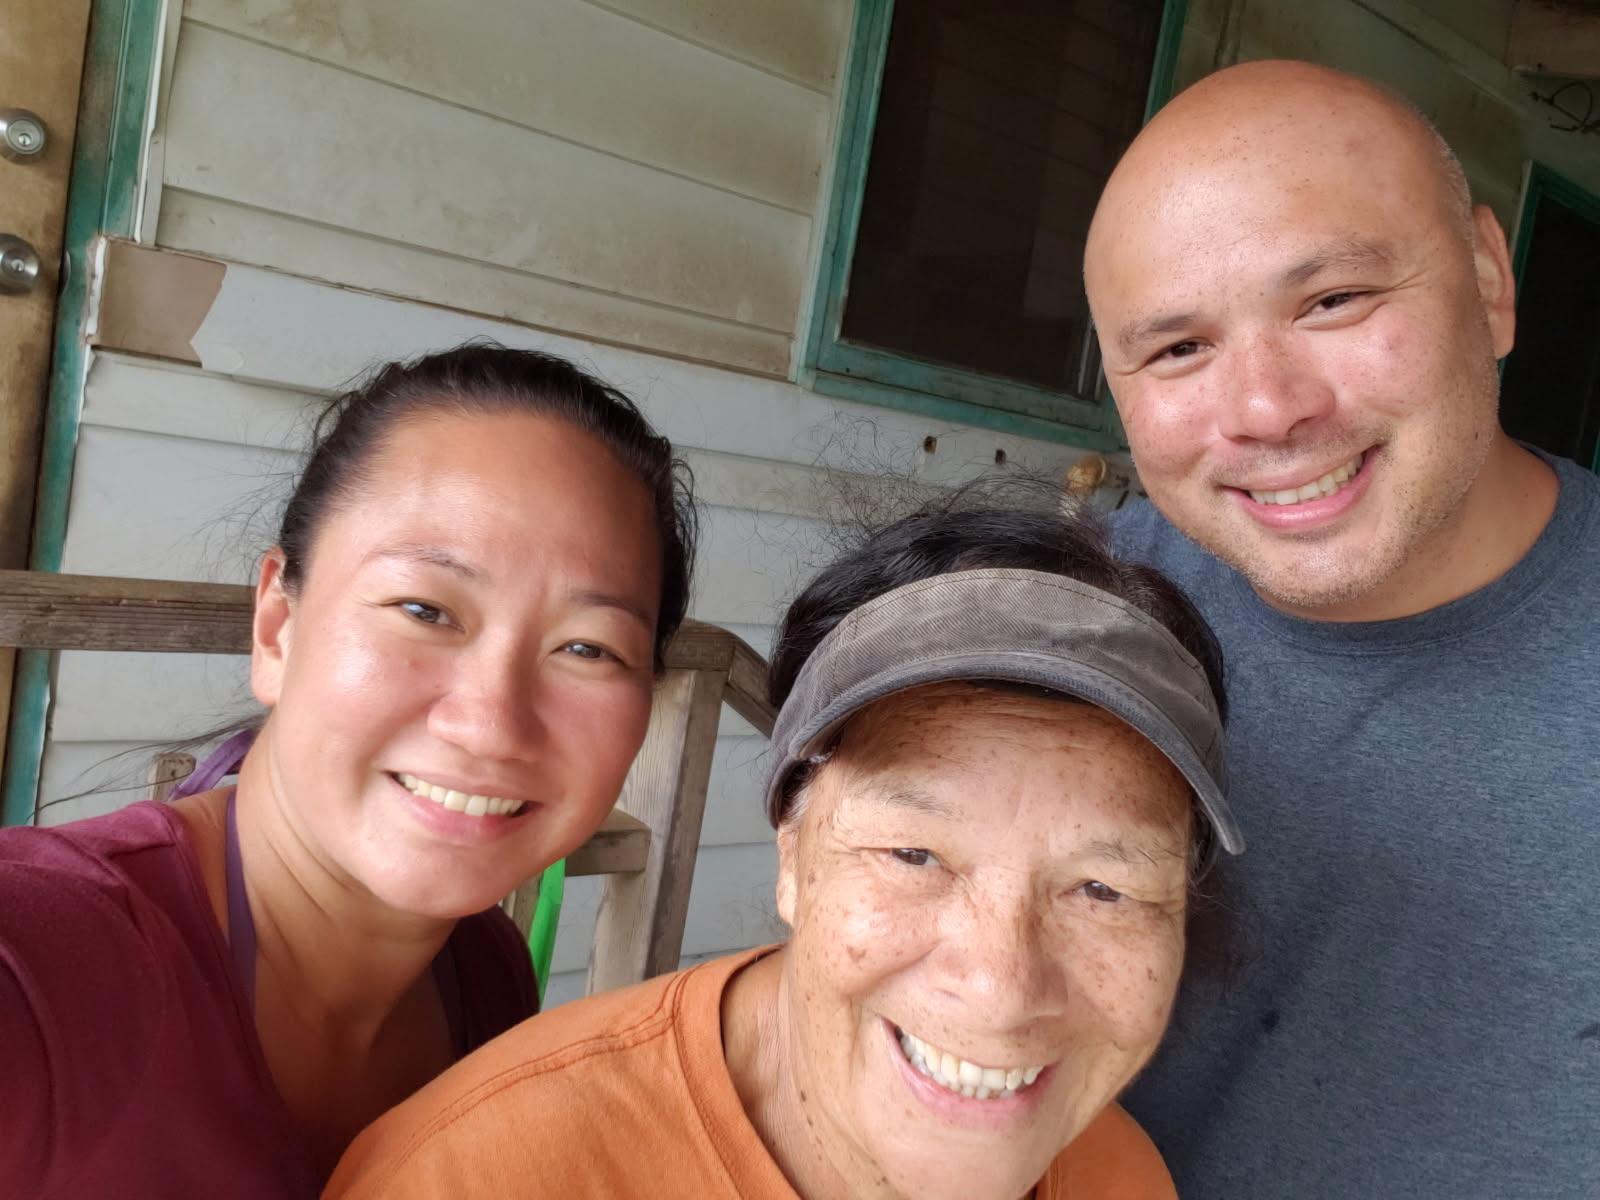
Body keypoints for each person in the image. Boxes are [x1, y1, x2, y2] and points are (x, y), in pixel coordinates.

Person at [325, 500, 1244, 1200]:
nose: (1001, 990)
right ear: (794, 854)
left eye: (1104, 888)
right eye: (913, 854)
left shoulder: (1114, 1175)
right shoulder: (482, 1177)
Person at [0, 344, 696, 1197]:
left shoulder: (484, 974)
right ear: (276, 628)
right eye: (423, 609)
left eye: (587, 648)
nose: (489, 724)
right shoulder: (44, 963)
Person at [1083, 59, 1600, 1197]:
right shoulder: (1072, 629)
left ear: (1489, 280)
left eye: (1331, 302)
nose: (1267, 409)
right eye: (1178, 349)